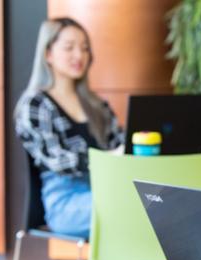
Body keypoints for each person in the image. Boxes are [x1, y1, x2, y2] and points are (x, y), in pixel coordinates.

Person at [14, 18, 123, 239]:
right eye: (69, 47)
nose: (79, 55)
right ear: (48, 54)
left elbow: (120, 144)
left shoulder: (96, 105)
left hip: (107, 190)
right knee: (128, 209)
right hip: (66, 201)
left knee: (149, 203)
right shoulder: (35, 105)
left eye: (84, 48)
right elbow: (58, 161)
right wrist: (108, 157)